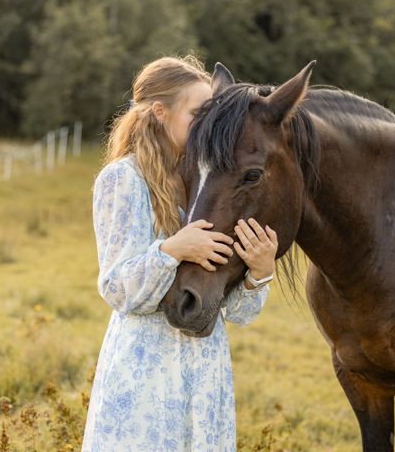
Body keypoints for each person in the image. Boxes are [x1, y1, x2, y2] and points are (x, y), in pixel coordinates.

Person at [81, 55, 278, 452]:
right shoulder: (123, 179)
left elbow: (236, 313)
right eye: (196, 114)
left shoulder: (201, 182)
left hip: (205, 374)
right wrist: (172, 250)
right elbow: (117, 289)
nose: (206, 125)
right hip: (145, 376)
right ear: (160, 112)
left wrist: (260, 272)